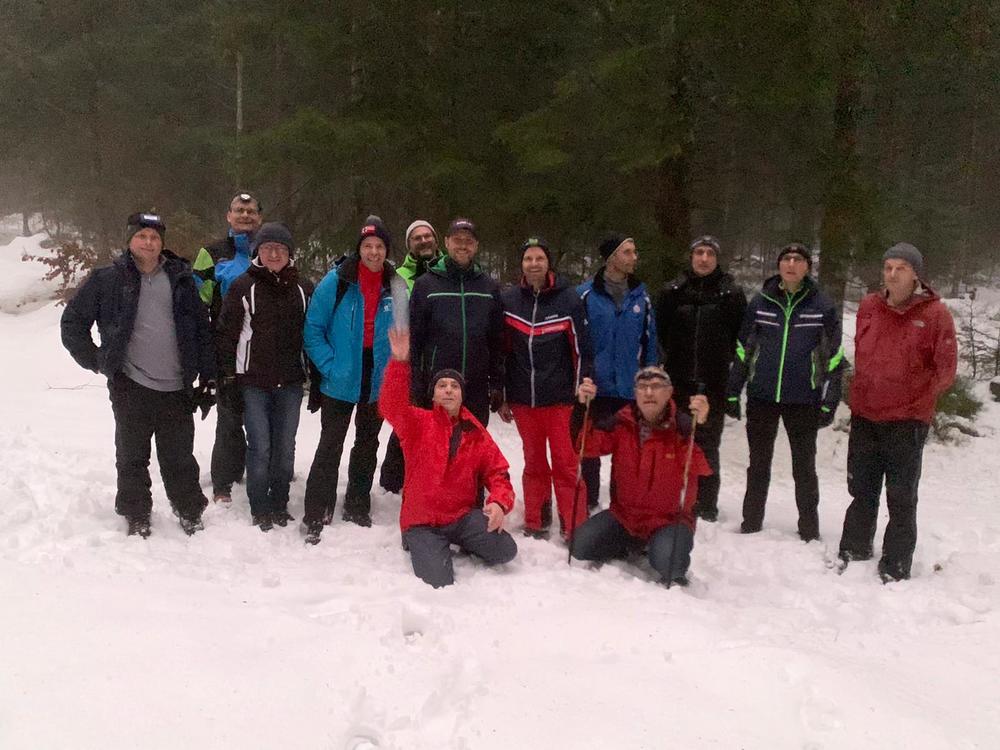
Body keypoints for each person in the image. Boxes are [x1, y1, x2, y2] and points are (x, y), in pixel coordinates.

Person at [61, 212, 215, 537]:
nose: (149, 242)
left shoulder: (181, 278)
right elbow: (73, 323)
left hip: (177, 387)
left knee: (179, 458)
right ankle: (136, 514)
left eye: (155, 237)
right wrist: (100, 361)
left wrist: (208, 374)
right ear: (130, 239)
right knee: (132, 457)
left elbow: (202, 329)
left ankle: (189, 511)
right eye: (142, 236)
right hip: (131, 385)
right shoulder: (107, 279)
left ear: (162, 243)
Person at [837, 243, 957, 582]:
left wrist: (918, 401)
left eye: (900, 268)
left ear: (915, 274)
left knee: (901, 496)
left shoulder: (935, 315)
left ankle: (896, 563)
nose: (892, 274)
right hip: (865, 415)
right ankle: (855, 548)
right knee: (861, 488)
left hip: (907, 421)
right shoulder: (869, 307)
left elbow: (945, 370)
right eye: (888, 267)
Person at [380, 327, 518, 588]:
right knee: (439, 580)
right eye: (442, 386)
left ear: (462, 395)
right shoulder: (417, 422)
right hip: (423, 522)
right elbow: (391, 406)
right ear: (433, 395)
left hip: (462, 518)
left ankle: (464, 540)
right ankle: (420, 543)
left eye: (454, 386)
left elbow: (498, 472)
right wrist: (399, 362)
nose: (448, 390)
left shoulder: (474, 430)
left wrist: (500, 504)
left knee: (506, 550)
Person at [725, 243, 844, 541]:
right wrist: (732, 390)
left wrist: (829, 402)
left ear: (807, 267)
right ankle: (751, 521)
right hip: (762, 395)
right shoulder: (761, 302)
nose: (791, 264)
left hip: (804, 398)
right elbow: (744, 349)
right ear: (779, 266)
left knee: (804, 466)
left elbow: (834, 358)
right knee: (758, 463)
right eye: (786, 259)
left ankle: (809, 528)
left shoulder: (822, 307)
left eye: (798, 260)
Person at [302, 217, 396, 541]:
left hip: (377, 379)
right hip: (340, 377)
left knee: (368, 445)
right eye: (367, 246)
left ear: (387, 250)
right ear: (359, 249)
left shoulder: (396, 285)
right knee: (330, 445)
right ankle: (318, 509)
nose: (373, 252)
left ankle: (358, 503)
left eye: (379, 246)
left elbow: (406, 334)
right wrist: (330, 367)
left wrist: (395, 375)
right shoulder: (337, 281)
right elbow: (313, 330)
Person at [571, 367, 710, 585]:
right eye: (642, 387)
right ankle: (633, 543)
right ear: (634, 392)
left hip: (669, 520)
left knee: (671, 566)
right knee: (580, 545)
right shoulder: (621, 422)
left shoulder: (682, 427)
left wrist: (701, 428)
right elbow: (584, 446)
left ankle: (659, 547)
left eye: (656, 387)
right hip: (625, 517)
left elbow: (705, 466)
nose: (648, 393)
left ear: (669, 391)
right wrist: (582, 408)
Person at [216, 223, 312, 532]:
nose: (274, 254)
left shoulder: (303, 288)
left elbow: (312, 334)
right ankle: (259, 505)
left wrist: (317, 377)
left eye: (281, 249)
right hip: (253, 382)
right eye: (268, 248)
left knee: (285, 447)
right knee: (260, 446)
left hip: (291, 382)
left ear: (290, 254)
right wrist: (228, 378)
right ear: (258, 252)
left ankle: (279, 502)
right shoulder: (244, 286)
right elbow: (228, 335)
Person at [499, 236, 592, 539]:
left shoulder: (568, 299)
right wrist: (500, 393)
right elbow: (502, 350)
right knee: (534, 462)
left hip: (560, 399)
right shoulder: (510, 299)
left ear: (548, 262)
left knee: (566, 464)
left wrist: (582, 386)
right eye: (528, 259)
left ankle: (573, 522)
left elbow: (582, 348)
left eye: (539, 258)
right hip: (524, 399)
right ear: (521, 265)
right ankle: (537, 519)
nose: (534, 264)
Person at [656, 235, 746, 521]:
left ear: (717, 258)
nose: (704, 259)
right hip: (677, 379)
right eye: (699, 253)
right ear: (691, 257)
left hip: (713, 382)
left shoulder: (731, 295)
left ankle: (706, 504)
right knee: (673, 438)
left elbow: (739, 340)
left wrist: (730, 379)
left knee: (707, 443)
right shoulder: (672, 291)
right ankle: (672, 495)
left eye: (709, 253)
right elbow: (660, 333)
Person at [577, 233, 658, 510]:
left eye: (635, 252)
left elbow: (649, 343)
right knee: (590, 449)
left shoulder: (642, 297)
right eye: (628, 252)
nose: (634, 257)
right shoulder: (585, 295)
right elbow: (575, 340)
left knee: (626, 451)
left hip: (628, 387)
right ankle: (587, 503)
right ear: (612, 257)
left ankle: (621, 505)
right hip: (595, 386)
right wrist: (580, 378)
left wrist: (649, 383)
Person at [192, 191, 263, 504]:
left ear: (259, 217)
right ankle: (223, 481)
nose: (245, 215)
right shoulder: (211, 252)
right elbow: (197, 302)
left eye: (250, 211)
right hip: (226, 347)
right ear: (228, 216)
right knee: (230, 415)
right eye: (239, 210)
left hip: (264, 348)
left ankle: (263, 469)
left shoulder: (272, 249)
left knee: (262, 416)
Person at [409, 218, 504, 428]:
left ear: (476, 246)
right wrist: (415, 383)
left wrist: (497, 383)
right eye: (457, 240)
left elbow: (497, 341)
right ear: (446, 242)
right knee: (436, 451)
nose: (463, 245)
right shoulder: (426, 284)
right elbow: (414, 340)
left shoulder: (489, 287)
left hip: (475, 388)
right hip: (436, 387)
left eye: (468, 241)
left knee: (471, 452)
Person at [379, 218, 441, 494]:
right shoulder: (399, 276)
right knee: (409, 418)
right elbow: (396, 318)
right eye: (417, 238)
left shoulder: (446, 270)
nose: (424, 241)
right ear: (409, 245)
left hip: (441, 354)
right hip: (411, 356)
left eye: (428, 236)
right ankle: (393, 479)